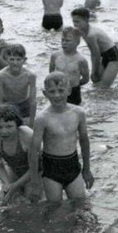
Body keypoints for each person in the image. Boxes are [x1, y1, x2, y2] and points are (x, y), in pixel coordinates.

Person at [28, 72, 94, 202]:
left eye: (61, 90)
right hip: (51, 168)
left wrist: (86, 169)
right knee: (54, 207)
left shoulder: (78, 113)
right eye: (52, 92)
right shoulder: (42, 118)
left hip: (72, 165)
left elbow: (84, 141)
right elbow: (34, 150)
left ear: (69, 91)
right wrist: (35, 181)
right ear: (45, 94)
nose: (57, 95)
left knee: (80, 204)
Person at [0, 105, 36, 203]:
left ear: (17, 125)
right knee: (4, 200)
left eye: (9, 126)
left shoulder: (28, 136)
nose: (4, 131)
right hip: (14, 170)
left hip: (37, 172)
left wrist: (15, 185)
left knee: (31, 200)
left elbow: (36, 167)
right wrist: (6, 183)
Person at [71, 7, 118, 88]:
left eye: (77, 21)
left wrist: (94, 72)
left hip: (114, 58)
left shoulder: (91, 34)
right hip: (105, 56)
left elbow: (95, 54)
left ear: (86, 20)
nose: (75, 24)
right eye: (73, 21)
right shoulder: (83, 31)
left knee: (103, 87)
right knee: (96, 83)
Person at [0, 44, 37, 127]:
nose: (15, 63)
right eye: (12, 59)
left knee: (26, 130)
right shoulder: (0, 76)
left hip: (24, 105)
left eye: (18, 59)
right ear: (6, 59)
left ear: (24, 60)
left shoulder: (30, 75)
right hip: (8, 106)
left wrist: (32, 122)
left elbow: (33, 101)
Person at [49, 27, 90, 106]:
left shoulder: (81, 60)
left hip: (74, 92)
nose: (64, 43)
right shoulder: (55, 56)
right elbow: (51, 73)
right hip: (58, 91)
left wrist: (73, 84)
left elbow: (86, 79)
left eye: (67, 40)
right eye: (62, 40)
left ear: (77, 42)